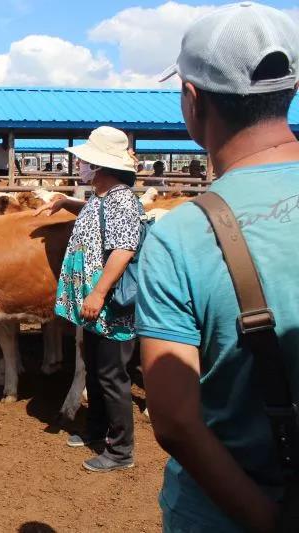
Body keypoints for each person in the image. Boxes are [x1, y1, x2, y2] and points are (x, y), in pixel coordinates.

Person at [138, 4, 299, 531]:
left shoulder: (179, 236)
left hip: (225, 515)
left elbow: (177, 420)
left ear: (192, 98)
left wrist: (267, 521)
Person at [38, 126, 141, 473]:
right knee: (97, 370)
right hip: (96, 303)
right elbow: (98, 215)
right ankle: (97, 429)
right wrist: (68, 202)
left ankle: (121, 450)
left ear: (100, 167)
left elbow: (124, 249)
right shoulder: (103, 197)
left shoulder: (123, 200)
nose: (80, 165)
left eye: (85, 161)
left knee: (113, 375)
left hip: (110, 304)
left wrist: (98, 293)